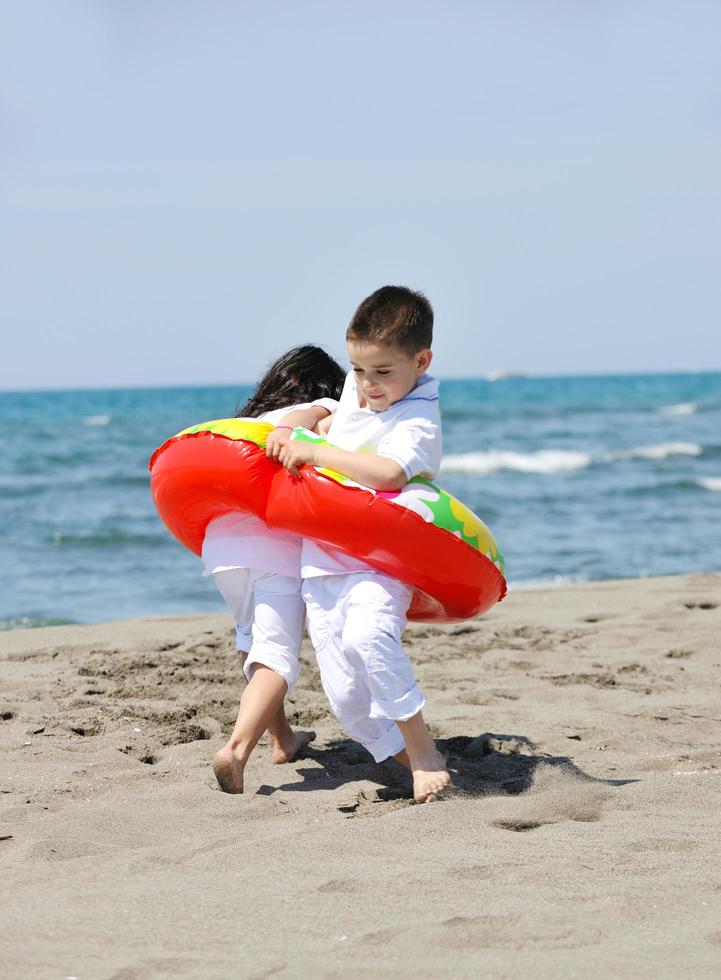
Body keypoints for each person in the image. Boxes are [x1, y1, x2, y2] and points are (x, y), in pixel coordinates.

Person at [277, 286, 452, 803]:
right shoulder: (362, 391)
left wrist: (316, 452)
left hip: (379, 558)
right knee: (348, 701)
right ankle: (417, 759)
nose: (368, 385)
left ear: (420, 361)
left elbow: (388, 473)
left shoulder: (417, 418)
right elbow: (335, 415)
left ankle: (422, 753)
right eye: (358, 370)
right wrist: (305, 418)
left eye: (382, 372)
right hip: (322, 560)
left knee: (368, 640)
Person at [206, 345, 345, 793]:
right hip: (274, 546)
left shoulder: (247, 423)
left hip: (221, 543)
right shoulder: (324, 406)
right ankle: (236, 750)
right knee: (279, 657)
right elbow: (311, 425)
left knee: (252, 637)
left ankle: (283, 740)